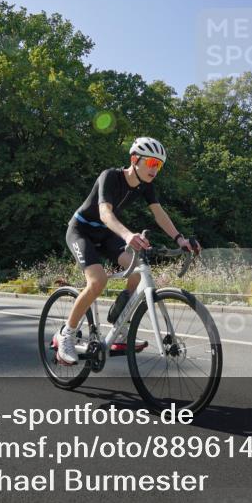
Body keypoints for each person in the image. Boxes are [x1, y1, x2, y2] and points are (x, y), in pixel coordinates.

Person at [54, 137, 198, 365]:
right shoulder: (109, 176)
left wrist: (179, 238)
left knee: (137, 274)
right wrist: (128, 235)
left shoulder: (146, 185)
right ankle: (66, 336)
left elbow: (160, 214)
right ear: (135, 159)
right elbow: (105, 214)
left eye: (159, 165)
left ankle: (118, 323)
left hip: (106, 235)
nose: (155, 169)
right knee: (97, 281)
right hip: (81, 231)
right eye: (152, 163)